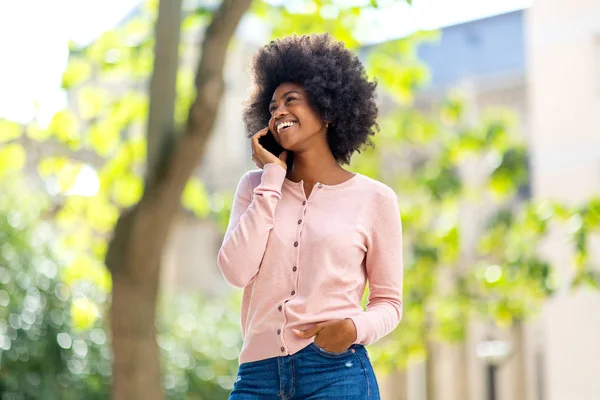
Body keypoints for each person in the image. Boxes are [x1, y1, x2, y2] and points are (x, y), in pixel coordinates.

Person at [217, 33, 403, 400]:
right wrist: (271, 178)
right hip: (257, 377)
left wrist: (351, 329)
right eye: (271, 107)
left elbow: (389, 303)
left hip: (335, 372)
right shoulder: (254, 187)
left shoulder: (375, 199)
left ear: (328, 109)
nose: (279, 112)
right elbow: (235, 272)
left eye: (291, 101)